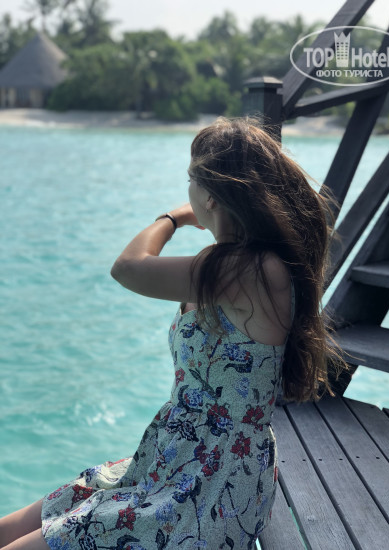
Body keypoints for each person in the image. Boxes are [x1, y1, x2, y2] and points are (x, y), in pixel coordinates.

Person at [0, 116, 348, 550]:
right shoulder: (230, 264)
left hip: (213, 483)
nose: (188, 190)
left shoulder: (253, 270)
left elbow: (128, 268)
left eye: (190, 180)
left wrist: (171, 218)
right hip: (173, 457)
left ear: (211, 195)